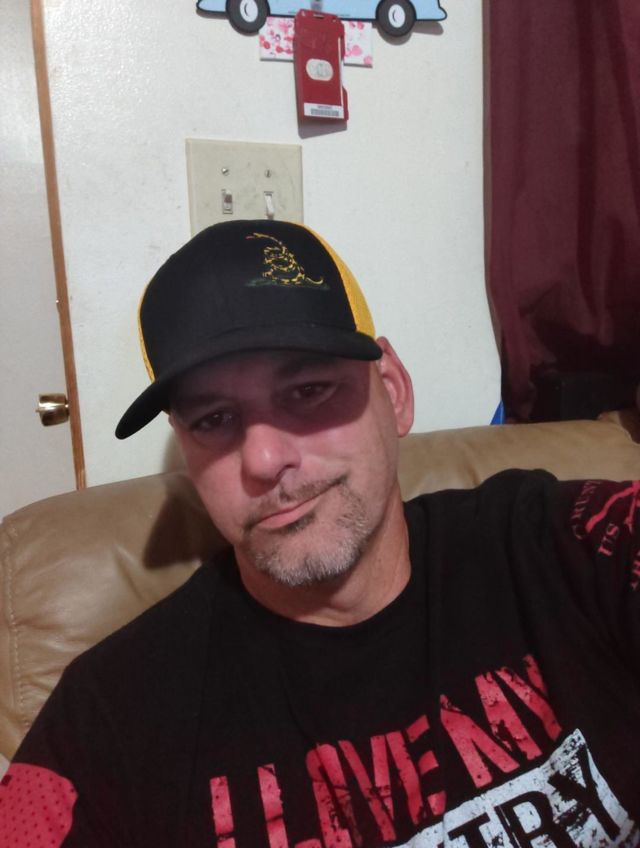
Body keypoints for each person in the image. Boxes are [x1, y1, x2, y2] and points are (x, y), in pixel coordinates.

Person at [1, 220, 639, 847]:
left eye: (308, 389)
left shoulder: (560, 546)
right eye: (213, 419)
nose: (263, 460)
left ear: (393, 391)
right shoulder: (113, 717)